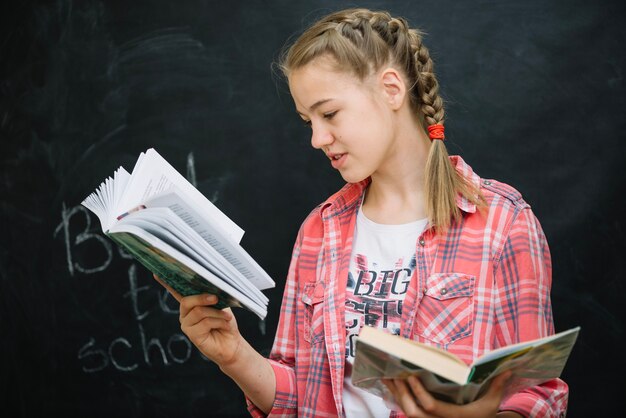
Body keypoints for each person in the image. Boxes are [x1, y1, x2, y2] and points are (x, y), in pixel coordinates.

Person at [154, 7, 568, 418]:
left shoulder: (502, 221)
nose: (318, 138)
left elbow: (537, 398)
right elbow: (300, 396)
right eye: (307, 121)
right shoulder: (320, 229)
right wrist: (234, 356)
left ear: (391, 89)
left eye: (329, 113)